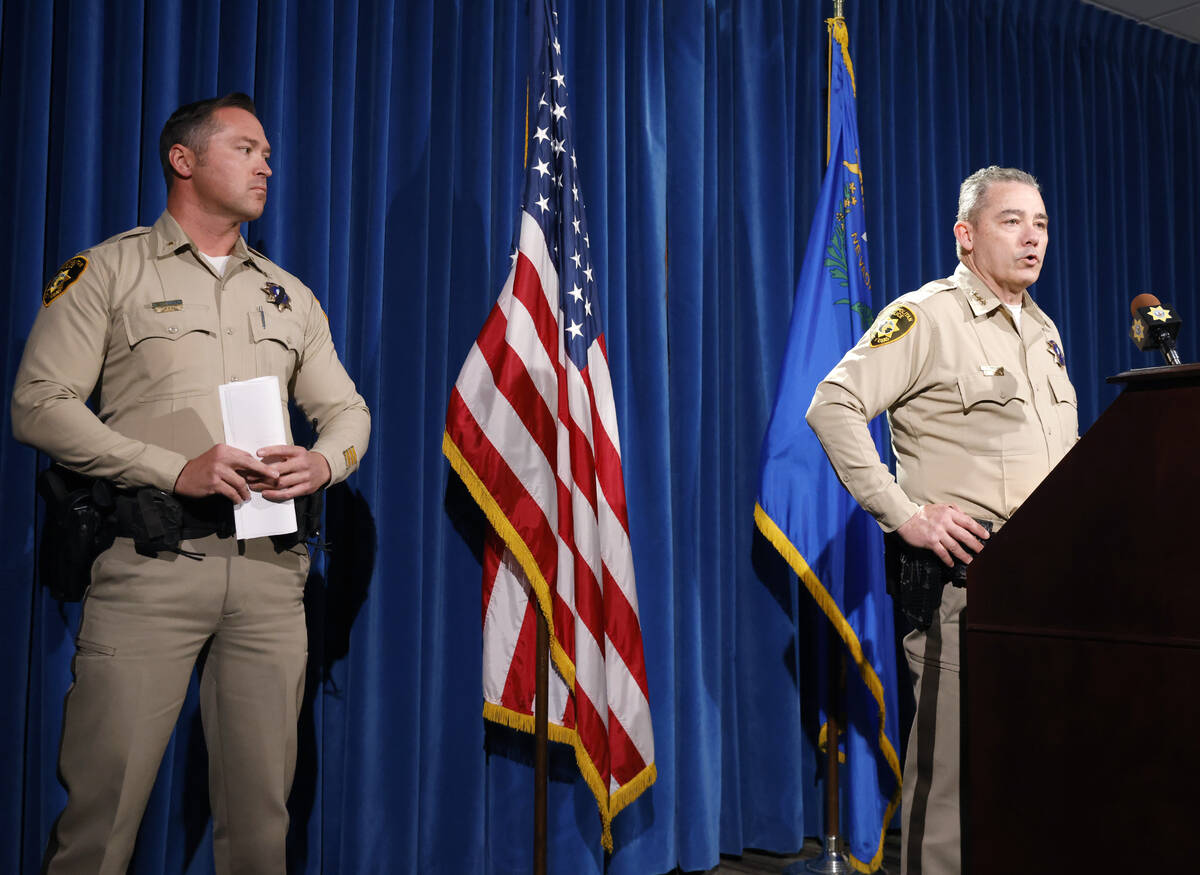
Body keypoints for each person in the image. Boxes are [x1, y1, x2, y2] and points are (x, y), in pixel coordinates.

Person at [12, 93, 370, 874]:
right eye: (246, 148)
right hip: (152, 566)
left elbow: (346, 409)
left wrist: (325, 461)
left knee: (260, 823)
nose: (266, 164)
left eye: (268, 153)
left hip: (272, 574)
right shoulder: (107, 271)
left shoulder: (288, 293)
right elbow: (38, 407)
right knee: (99, 823)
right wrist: (173, 467)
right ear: (184, 159)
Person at [806, 166, 1078, 875]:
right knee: (949, 786)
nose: (1032, 237)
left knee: (1030, 776)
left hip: (1046, 592)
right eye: (1012, 221)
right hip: (966, 588)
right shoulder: (927, 316)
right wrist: (905, 514)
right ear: (966, 236)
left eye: (1041, 223)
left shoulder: (1044, 330)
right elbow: (831, 406)